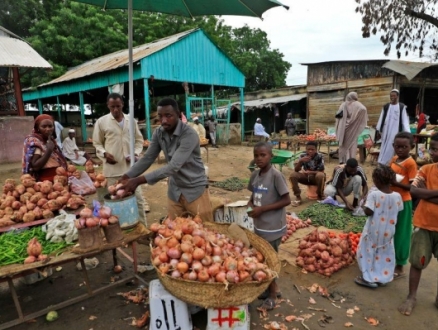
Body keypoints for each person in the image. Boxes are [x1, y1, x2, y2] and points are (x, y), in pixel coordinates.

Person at [117, 98, 213, 222]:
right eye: (160, 116)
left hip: (194, 190)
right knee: (174, 231)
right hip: (175, 191)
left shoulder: (189, 134)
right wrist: (127, 175)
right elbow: (148, 158)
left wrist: (138, 180)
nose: (163, 120)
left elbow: (173, 166)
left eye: (168, 116)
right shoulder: (159, 133)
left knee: (204, 230)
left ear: (178, 115)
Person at [247, 142, 291, 310]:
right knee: (263, 259)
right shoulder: (255, 176)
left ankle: (272, 295)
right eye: (256, 155)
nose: (259, 159)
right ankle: (271, 289)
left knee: (269, 262)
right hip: (259, 226)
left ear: (271, 156)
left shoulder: (276, 176)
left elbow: (286, 200)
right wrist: (251, 205)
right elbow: (253, 195)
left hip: (272, 227)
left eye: (263, 155)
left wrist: (262, 209)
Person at [398, 133, 438, 316]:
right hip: (423, 224)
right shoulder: (427, 169)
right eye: (433, 149)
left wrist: (427, 193)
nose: (435, 153)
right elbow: (414, 190)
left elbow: (421, 192)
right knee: (417, 262)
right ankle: (411, 296)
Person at [92, 93, 146, 224]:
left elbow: (139, 141)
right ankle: (121, 232)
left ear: (122, 104)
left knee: (137, 199)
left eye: (118, 106)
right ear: (108, 106)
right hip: (112, 171)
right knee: (115, 202)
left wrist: (136, 154)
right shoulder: (101, 122)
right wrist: (104, 154)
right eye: (112, 107)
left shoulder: (131, 120)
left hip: (131, 170)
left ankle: (144, 229)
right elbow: (97, 143)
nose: (115, 110)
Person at [354, 165, 403, 288]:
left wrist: (365, 205)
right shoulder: (397, 196)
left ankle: (368, 278)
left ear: (376, 181)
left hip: (374, 230)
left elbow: (368, 212)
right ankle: (383, 276)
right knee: (384, 253)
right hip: (388, 231)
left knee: (368, 252)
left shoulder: (374, 195)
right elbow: (399, 209)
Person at [389, 132, 417, 278]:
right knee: (390, 230)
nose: (400, 150)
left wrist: (395, 183)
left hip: (404, 201)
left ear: (411, 147)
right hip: (391, 200)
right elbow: (389, 173)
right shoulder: (394, 159)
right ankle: (390, 259)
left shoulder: (411, 163)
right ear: (393, 146)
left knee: (402, 233)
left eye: (404, 147)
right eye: (397, 146)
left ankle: (400, 265)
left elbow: (413, 187)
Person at [22, 114, 68, 181]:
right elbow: (35, 166)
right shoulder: (35, 141)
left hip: (58, 178)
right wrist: (49, 150)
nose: (48, 129)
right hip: (45, 181)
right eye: (44, 126)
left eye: (50, 126)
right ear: (38, 128)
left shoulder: (50, 140)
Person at [376, 89, 410, 165]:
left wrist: (407, 132)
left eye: (394, 96)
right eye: (391, 96)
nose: (392, 97)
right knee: (384, 145)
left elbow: (404, 120)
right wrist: (379, 129)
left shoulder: (401, 107)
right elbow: (382, 117)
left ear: (397, 96)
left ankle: (389, 162)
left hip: (396, 131)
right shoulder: (386, 106)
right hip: (386, 130)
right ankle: (382, 161)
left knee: (392, 146)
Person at [335, 92, 368, 164]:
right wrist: (354, 120)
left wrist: (348, 120)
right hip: (352, 129)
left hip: (344, 128)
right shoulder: (357, 104)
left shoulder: (343, 104)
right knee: (352, 144)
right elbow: (363, 109)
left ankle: (343, 160)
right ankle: (351, 161)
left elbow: (338, 116)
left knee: (344, 144)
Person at [289, 141, 325, 205]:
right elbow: (296, 170)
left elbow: (321, 171)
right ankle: (298, 197)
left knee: (320, 175)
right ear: (306, 150)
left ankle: (320, 195)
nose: (310, 151)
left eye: (312, 149)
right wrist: (300, 161)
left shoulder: (320, 156)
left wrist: (310, 172)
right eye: (308, 149)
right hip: (306, 177)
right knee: (293, 175)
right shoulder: (302, 155)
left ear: (316, 150)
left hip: (316, 178)